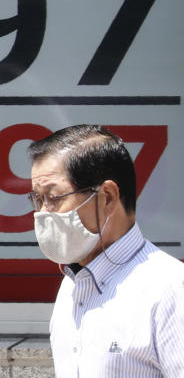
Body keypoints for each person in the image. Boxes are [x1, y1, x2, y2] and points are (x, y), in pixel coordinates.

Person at [28, 124, 184, 377]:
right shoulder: (72, 285)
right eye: (37, 198)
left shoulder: (171, 290)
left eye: (53, 197)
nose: (43, 212)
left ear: (108, 197)